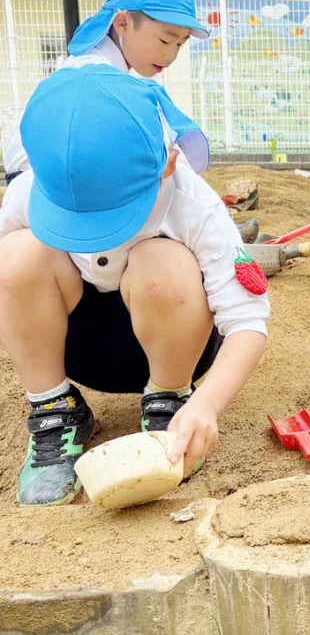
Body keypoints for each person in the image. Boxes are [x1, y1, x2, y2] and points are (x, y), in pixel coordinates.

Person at [0, 65, 270, 507]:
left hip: (173, 347)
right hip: (74, 349)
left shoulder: (190, 201)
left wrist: (205, 405)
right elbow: (10, 293)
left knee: (161, 259)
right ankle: (54, 411)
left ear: (167, 161)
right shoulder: (30, 190)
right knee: (14, 257)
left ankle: (169, 403)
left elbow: (247, 319)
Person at [2, 0, 211, 183]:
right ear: (122, 23)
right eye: (165, 40)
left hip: (45, 178)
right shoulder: (97, 76)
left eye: (179, 44)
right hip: (45, 183)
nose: (171, 55)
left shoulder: (95, 65)